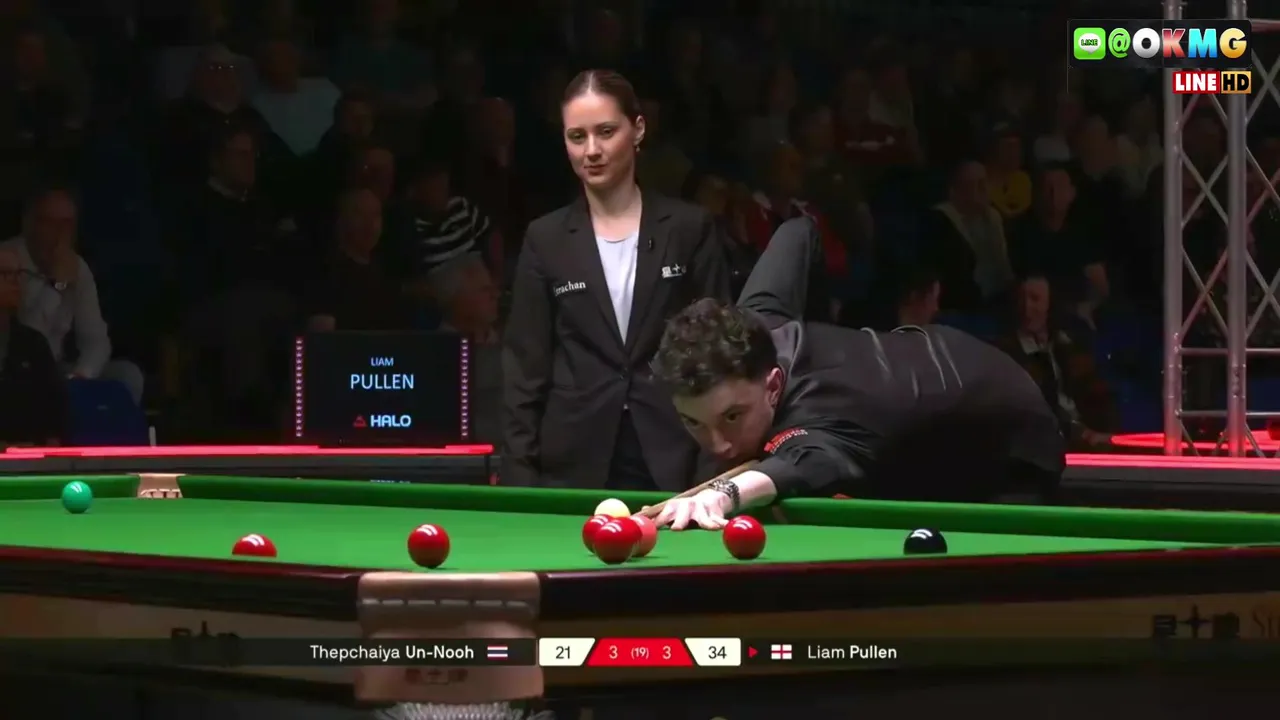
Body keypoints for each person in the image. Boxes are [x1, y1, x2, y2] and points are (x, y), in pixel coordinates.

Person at [649, 218, 1065, 530]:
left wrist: (723, 494)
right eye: (694, 422)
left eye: (732, 416)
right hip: (927, 365)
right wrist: (823, 327)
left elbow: (803, 463)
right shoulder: (754, 324)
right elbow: (799, 232)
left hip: (1011, 437)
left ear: (774, 386)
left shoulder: (825, 413)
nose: (718, 444)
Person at [503, 69, 732, 492]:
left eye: (606, 132)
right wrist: (520, 480)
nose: (591, 150)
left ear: (638, 129)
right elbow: (524, 370)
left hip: (675, 456)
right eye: (577, 137)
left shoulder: (689, 229)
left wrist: (711, 470)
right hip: (572, 464)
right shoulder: (545, 238)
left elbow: (718, 359)